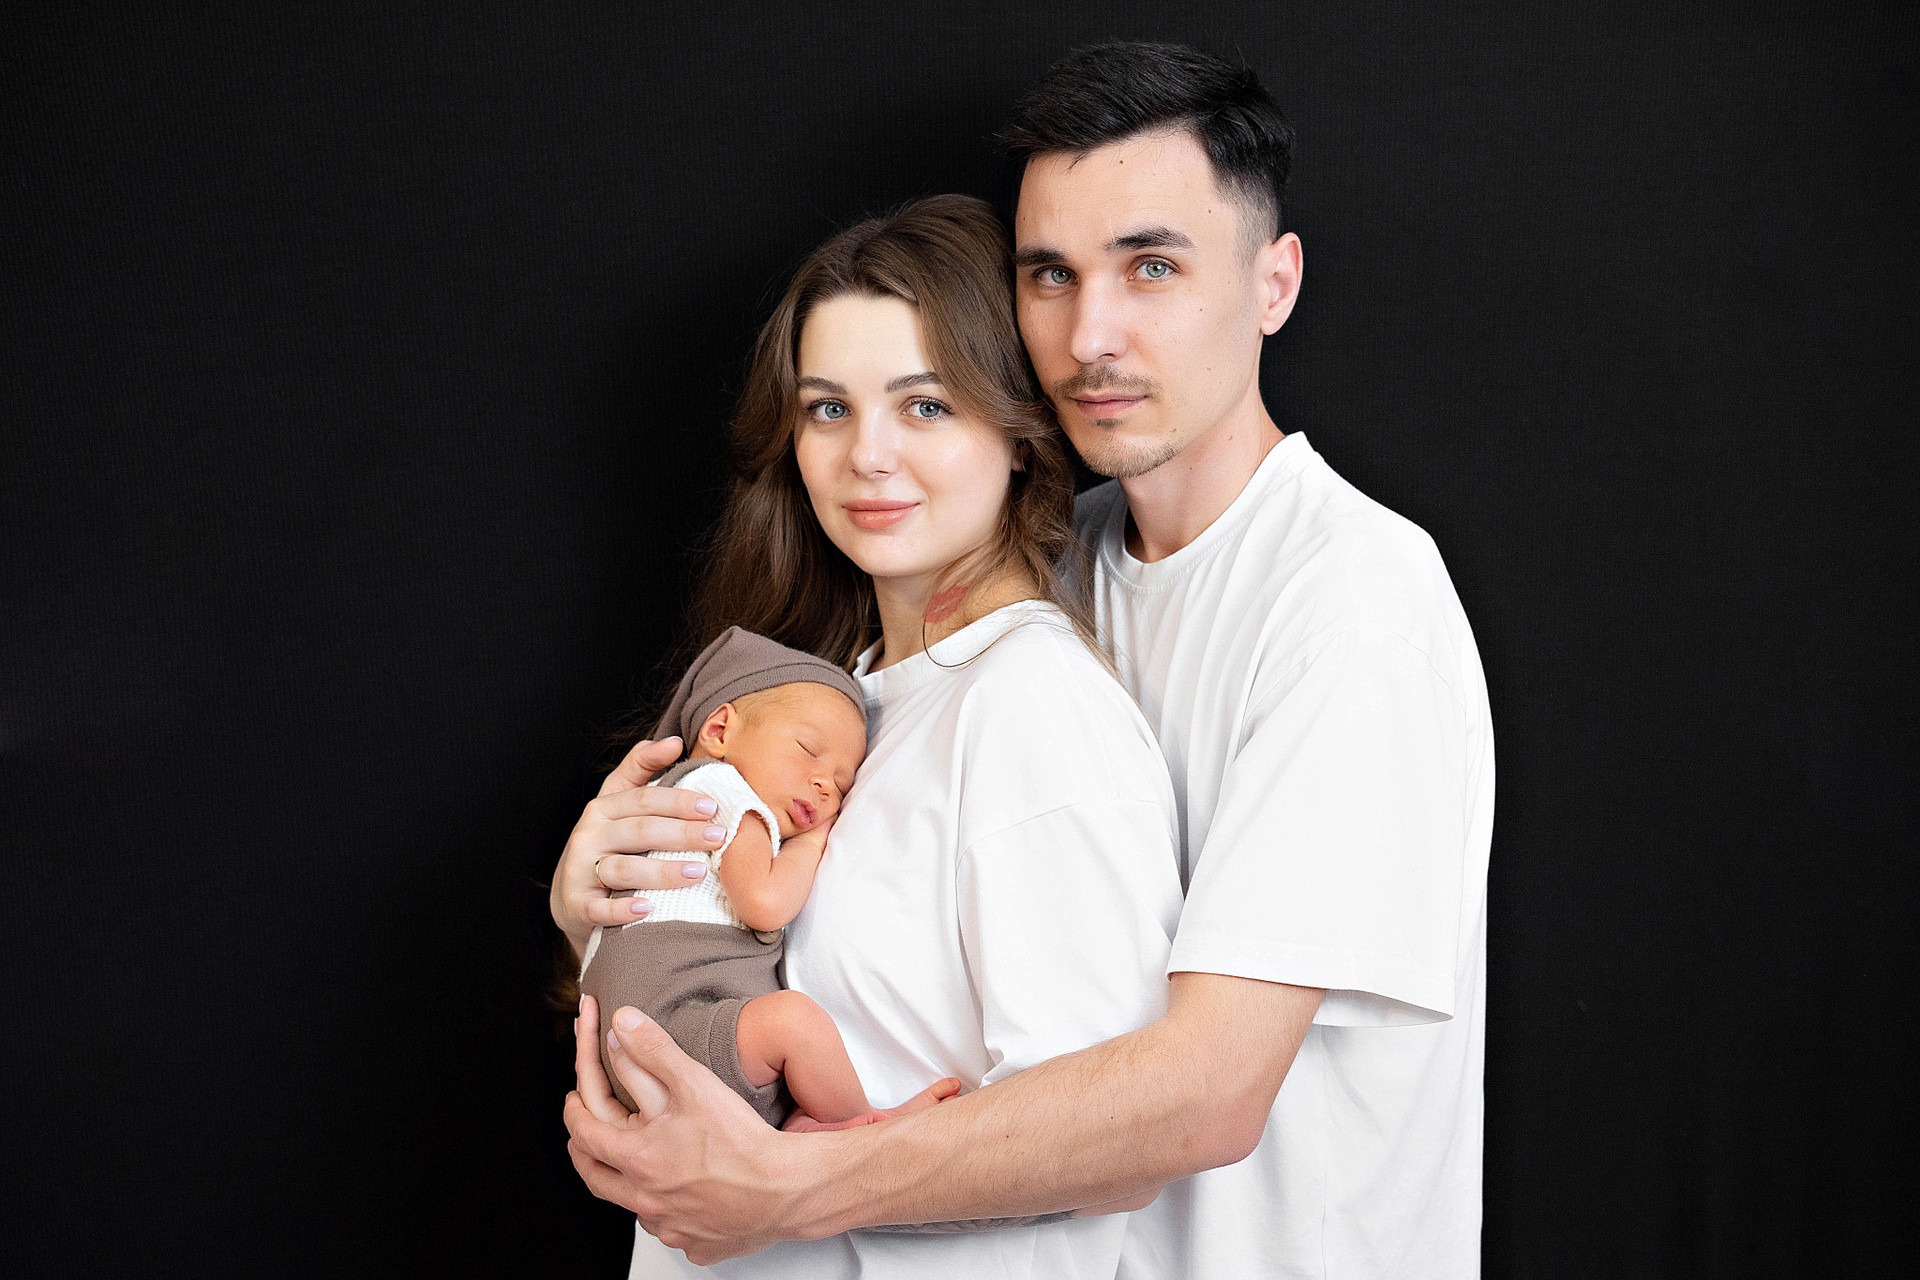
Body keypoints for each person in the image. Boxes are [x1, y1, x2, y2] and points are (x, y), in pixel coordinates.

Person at [562, 41, 1495, 1280]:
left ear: (1274, 283)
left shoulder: (1354, 603)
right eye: (1051, 274)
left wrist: (789, 1185)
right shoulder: (1051, 565)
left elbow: (1204, 1093)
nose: (1089, 334)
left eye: (1152, 266)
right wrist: (611, 903)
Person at [558, 193, 1186, 1277]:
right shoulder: (834, 697)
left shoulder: (1031, 704)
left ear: (1020, 432)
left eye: (926, 405)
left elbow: (1113, 1149)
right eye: (828, 409)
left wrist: (796, 1185)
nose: (868, 456)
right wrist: (595, 920)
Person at [578, 627, 957, 1128]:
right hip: (673, 1026)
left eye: (842, 783)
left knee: (785, 1069)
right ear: (720, 731)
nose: (824, 785)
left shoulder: (670, 797)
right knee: (794, 1023)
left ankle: (807, 1125)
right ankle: (861, 1129)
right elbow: (764, 902)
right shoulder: (722, 790)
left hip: (628, 1047)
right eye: (807, 748)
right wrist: (811, 843)